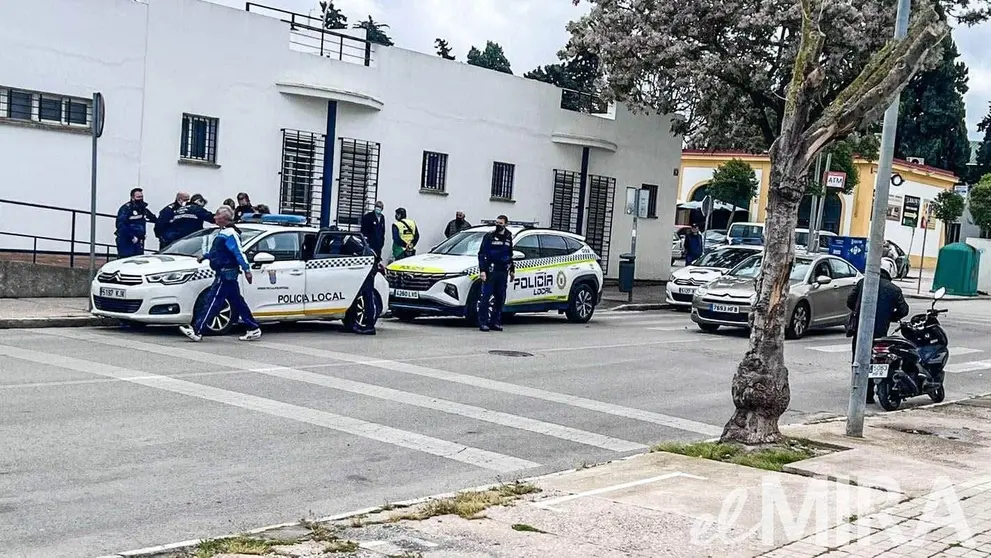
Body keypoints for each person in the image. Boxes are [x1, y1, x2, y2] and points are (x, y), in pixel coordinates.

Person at [180, 206, 261, 342]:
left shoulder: (230, 234)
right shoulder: (224, 232)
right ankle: (253, 328)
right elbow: (219, 252)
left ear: (224, 218)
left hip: (226, 273)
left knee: (213, 301)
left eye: (217, 215)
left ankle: (197, 330)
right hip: (225, 272)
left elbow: (239, 252)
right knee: (236, 301)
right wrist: (206, 256)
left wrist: (247, 269)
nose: (214, 217)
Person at [846, 260, 909, 404]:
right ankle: (870, 392)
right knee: (876, 361)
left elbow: (850, 301)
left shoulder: (863, 282)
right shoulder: (894, 289)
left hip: (860, 329)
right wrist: (891, 317)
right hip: (880, 332)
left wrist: (860, 312)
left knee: (858, 360)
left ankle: (858, 390)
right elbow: (904, 310)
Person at [477, 215, 515, 332]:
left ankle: (495, 322)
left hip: (503, 271)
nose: (498, 225)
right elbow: (482, 254)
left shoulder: (508, 236)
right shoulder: (489, 236)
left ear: (506, 224)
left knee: (500, 298)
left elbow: (510, 254)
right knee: (486, 297)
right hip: (491, 270)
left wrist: (512, 270)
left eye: (500, 223)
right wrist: (483, 270)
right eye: (497, 223)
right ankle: (483, 322)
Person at [115, 187, 157, 258]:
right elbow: (120, 225)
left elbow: (153, 218)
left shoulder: (142, 208)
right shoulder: (126, 209)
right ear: (132, 198)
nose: (140, 199)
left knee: (138, 259)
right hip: (126, 240)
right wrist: (131, 236)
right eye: (138, 197)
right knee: (126, 259)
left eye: (141, 197)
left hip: (139, 240)